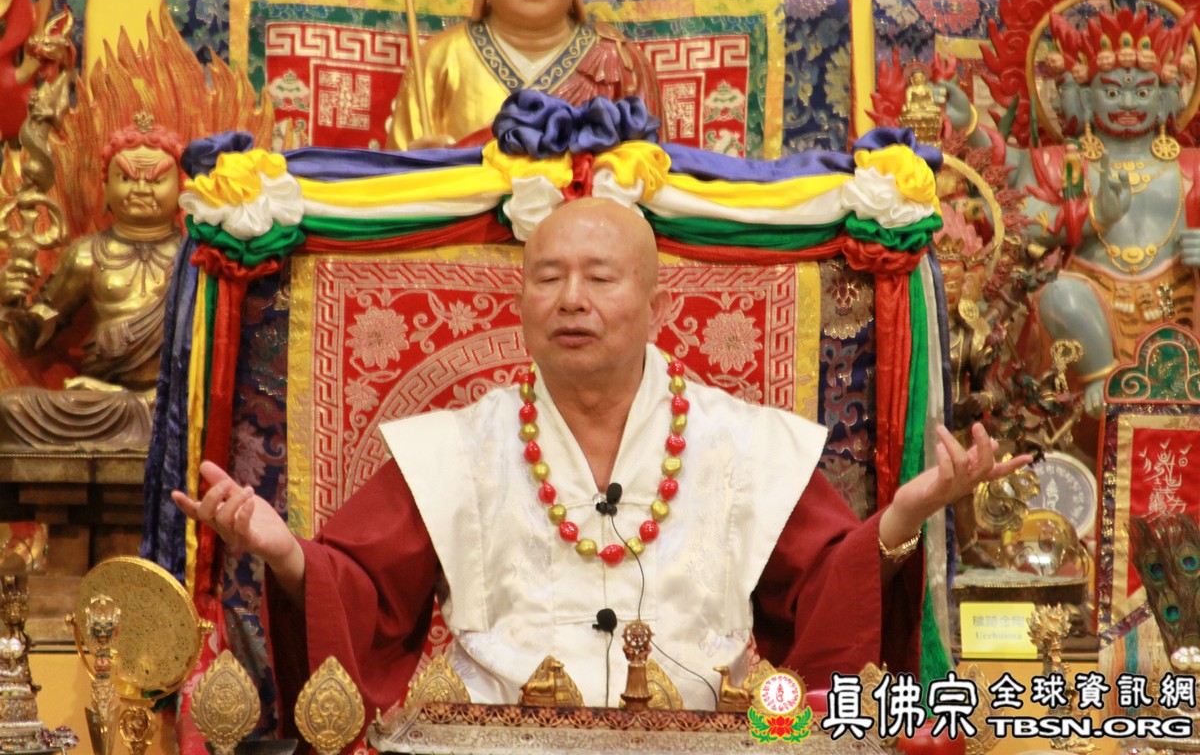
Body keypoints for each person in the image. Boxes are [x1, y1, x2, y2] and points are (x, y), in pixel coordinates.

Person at [175, 198, 1028, 725]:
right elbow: (362, 587)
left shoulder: (744, 442)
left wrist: (905, 514)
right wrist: (284, 552)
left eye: (599, 278)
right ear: (520, 304)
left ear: (655, 304)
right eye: (548, 278)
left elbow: (827, 586)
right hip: (499, 741)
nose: (571, 300)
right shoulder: (457, 447)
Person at [941, 5, 1200, 417]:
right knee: (1058, 293)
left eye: (1142, 91)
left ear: (1167, 95)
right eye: (1111, 92)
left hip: (1182, 310)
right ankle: (1102, 379)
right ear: (1084, 97)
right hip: (1091, 315)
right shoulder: (1064, 163)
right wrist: (969, 124)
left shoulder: (1192, 167)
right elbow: (1011, 184)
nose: (1127, 102)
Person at [0, 117, 185, 449]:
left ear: (181, 189)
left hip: (171, 401)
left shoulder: (195, 257)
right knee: (10, 409)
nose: (141, 189)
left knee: (208, 412)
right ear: (106, 188)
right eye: (126, 178)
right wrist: (10, 303)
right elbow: (31, 341)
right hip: (101, 404)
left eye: (156, 180)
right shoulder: (85, 255)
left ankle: (147, 409)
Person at [386, 0, 662, 149]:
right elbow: (393, 187)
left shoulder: (620, 62)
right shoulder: (440, 58)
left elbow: (657, 178)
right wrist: (425, 167)